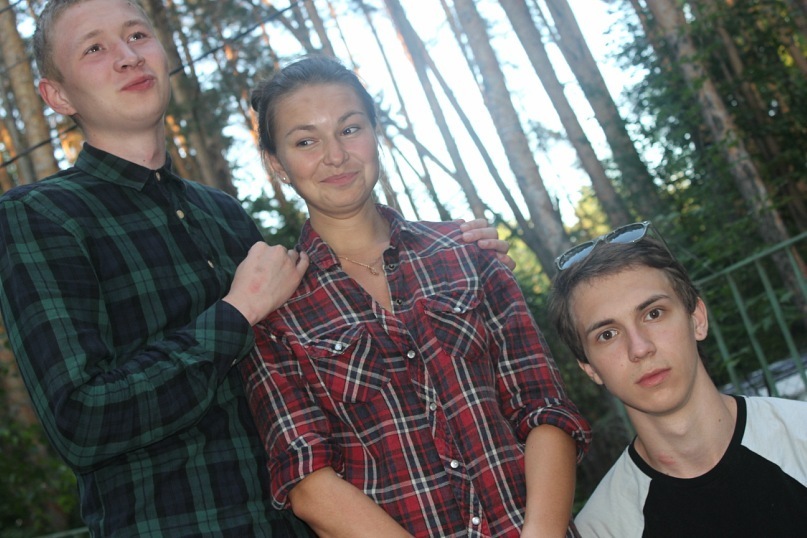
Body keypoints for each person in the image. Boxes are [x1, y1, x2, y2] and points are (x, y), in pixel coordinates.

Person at [0, 2, 512, 535]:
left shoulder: (222, 213)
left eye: (137, 35)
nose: (128, 56)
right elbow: (80, 423)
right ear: (57, 96)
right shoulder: (39, 215)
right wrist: (236, 312)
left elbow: (333, 344)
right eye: (95, 48)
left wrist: (448, 259)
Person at [240, 55, 592, 538]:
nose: (335, 156)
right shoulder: (275, 312)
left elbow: (543, 406)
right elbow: (308, 481)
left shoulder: (468, 253)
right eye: (306, 141)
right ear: (277, 164)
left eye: (349, 129)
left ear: (375, 132)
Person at [547, 222, 807, 537]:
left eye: (653, 314)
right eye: (608, 334)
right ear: (590, 368)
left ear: (697, 319)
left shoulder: (800, 436)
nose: (640, 348)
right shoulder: (602, 530)